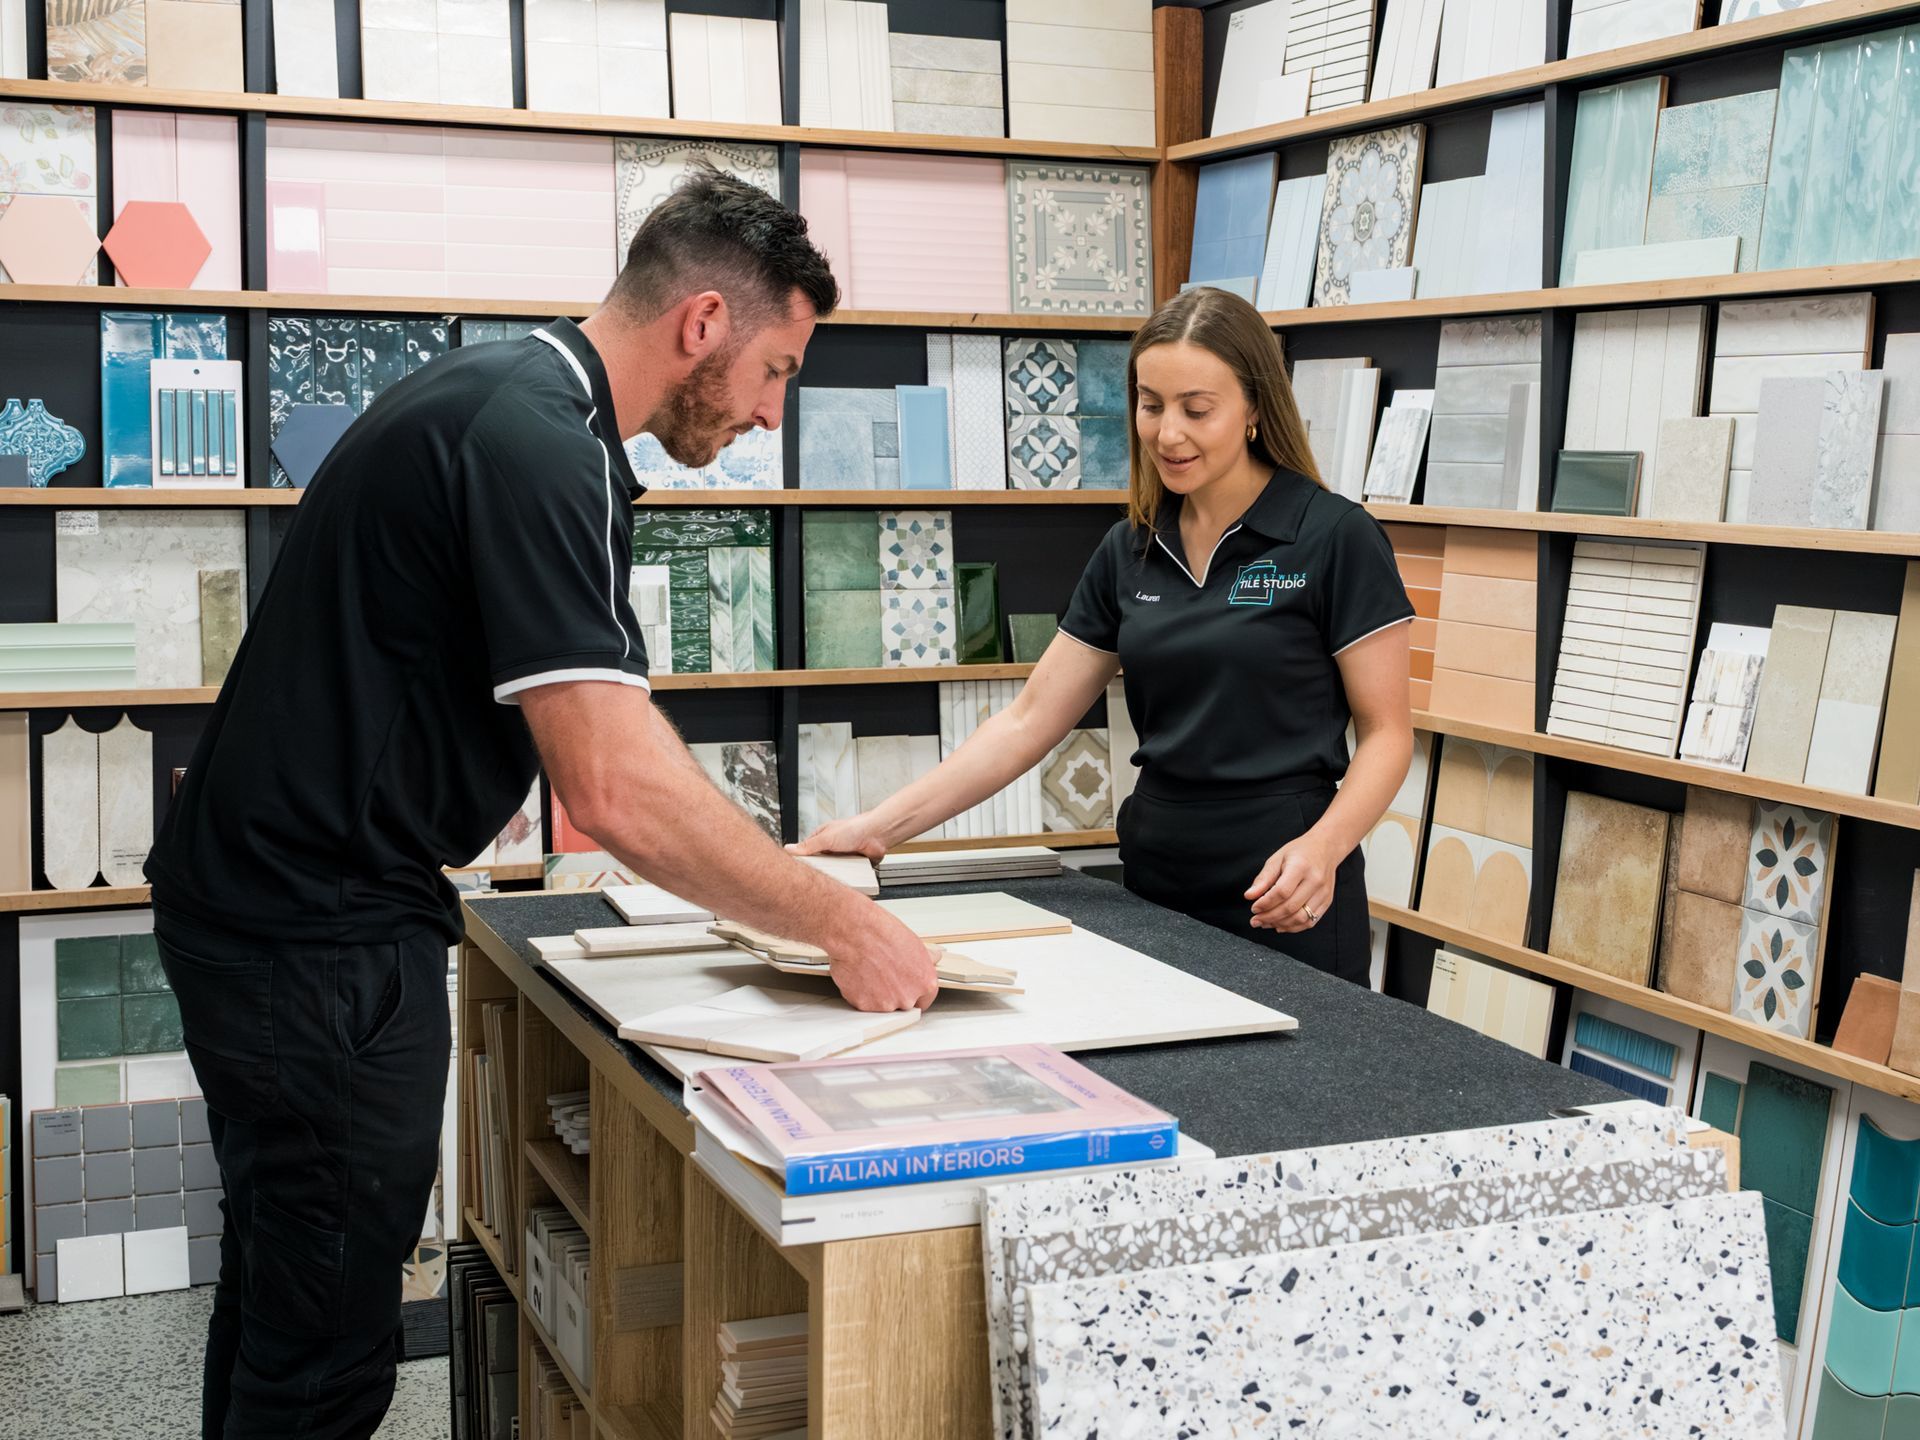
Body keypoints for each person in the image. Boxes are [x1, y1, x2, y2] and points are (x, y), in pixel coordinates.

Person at [143, 167, 938, 1440]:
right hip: (319, 935)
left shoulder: (510, 397)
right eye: (778, 371)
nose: (772, 415)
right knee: (328, 1352)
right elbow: (612, 783)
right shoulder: (534, 442)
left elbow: (603, 724)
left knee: (283, 1292)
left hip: (263, 903)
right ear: (703, 326)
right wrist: (834, 921)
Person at [797, 286, 1415, 984]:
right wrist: (876, 828)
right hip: (1156, 878)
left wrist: (1325, 848)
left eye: (1197, 409)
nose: (1167, 433)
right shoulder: (1129, 550)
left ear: (1254, 410)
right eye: (1151, 405)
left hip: (1285, 888)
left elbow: (1389, 733)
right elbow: (1028, 722)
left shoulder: (1335, 537)